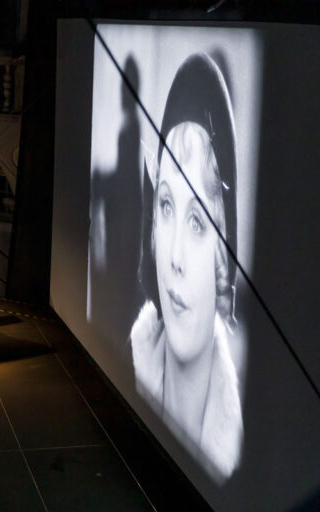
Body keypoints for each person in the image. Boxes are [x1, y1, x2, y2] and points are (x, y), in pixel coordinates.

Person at [129, 53, 242, 482]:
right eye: (166, 205)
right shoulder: (130, 362)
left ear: (223, 252)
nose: (173, 256)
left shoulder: (240, 465)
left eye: (198, 221)